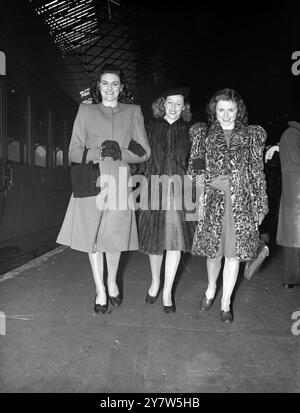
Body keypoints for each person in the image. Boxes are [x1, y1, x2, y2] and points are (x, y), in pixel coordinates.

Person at [57, 64, 151, 314]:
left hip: (119, 180)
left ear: (122, 87)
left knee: (115, 237)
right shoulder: (86, 111)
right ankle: (100, 289)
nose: (110, 88)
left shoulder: (133, 112)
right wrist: (98, 152)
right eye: (105, 83)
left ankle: (112, 282)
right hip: (91, 180)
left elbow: (144, 151)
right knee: (93, 238)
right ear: (98, 87)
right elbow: (74, 151)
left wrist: (120, 152)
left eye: (115, 84)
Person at [188, 88, 268, 323]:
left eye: (231, 110)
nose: (226, 114)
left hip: (241, 204)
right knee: (213, 252)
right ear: (214, 110)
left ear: (238, 110)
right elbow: (196, 166)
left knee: (233, 256)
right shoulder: (204, 134)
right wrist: (205, 188)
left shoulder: (251, 136)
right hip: (213, 202)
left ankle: (225, 303)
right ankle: (212, 288)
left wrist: (260, 204)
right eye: (221, 110)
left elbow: (256, 171)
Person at [138, 87, 196, 313]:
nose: (173, 108)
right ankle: (155, 281)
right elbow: (142, 159)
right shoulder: (149, 127)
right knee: (155, 241)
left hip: (181, 190)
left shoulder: (191, 131)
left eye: (178, 104)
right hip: (154, 188)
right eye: (169, 103)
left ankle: (167, 291)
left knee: (175, 243)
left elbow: (196, 161)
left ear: (184, 107)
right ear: (162, 105)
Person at [265, 121, 300, 288]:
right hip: (296, 194)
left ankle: (291, 278)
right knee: (293, 239)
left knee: (293, 239)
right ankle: (290, 278)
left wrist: (278, 146)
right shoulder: (293, 133)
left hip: (294, 193)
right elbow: (296, 158)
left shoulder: (291, 133)